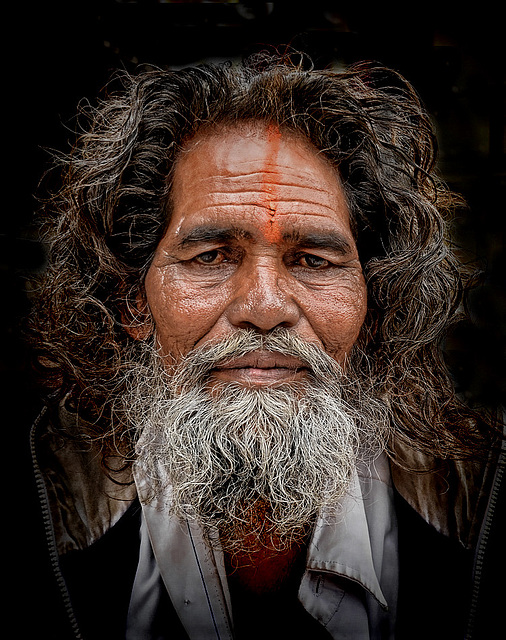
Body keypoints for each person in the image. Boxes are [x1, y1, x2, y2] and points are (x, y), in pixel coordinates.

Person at [28, 54, 504, 640]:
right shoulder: (41, 501)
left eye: (312, 261)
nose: (265, 307)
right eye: (211, 256)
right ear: (132, 299)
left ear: (373, 302)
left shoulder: (484, 501)